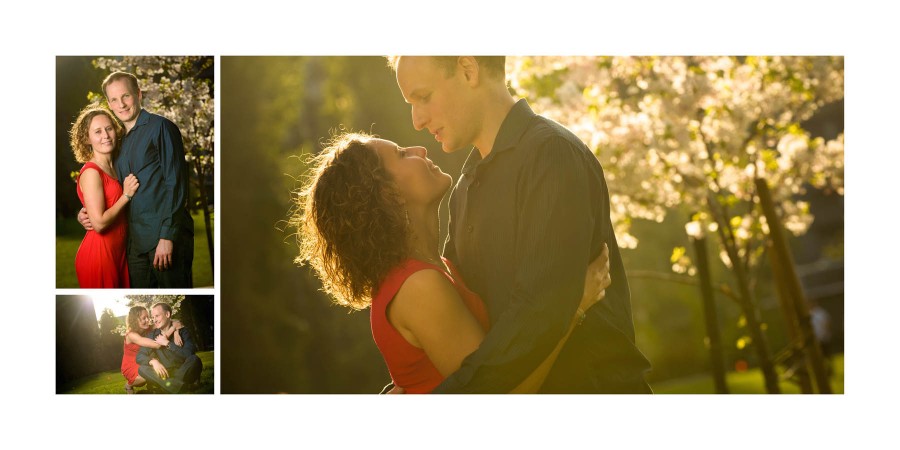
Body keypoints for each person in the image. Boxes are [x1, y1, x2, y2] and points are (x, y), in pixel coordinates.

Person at [389, 56, 652, 393]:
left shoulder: (551, 155)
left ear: (468, 70)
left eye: (423, 97)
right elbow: (459, 319)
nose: (417, 120)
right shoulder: (465, 187)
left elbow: (536, 319)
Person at [295, 133, 611, 393]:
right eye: (403, 154)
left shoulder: (437, 268)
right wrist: (575, 307)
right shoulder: (418, 286)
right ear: (389, 194)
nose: (420, 148)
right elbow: (497, 402)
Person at [79, 71, 194, 288]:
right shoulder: (119, 141)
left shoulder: (161, 128)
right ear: (109, 104)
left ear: (138, 95)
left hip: (164, 239)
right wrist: (86, 212)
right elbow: (108, 184)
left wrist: (167, 237)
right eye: (114, 99)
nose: (121, 104)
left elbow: (176, 185)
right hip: (134, 246)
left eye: (126, 96)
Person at [69, 105, 139, 288]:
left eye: (108, 128)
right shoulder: (92, 172)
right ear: (87, 139)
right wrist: (126, 196)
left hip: (119, 252)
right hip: (99, 255)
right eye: (97, 132)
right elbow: (99, 224)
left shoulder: (117, 165)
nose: (106, 136)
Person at [136, 303, 202, 394]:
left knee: (195, 359)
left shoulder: (183, 332)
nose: (154, 320)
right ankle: (179, 386)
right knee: (142, 368)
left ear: (167, 314)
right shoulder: (152, 335)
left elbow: (189, 354)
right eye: (153, 317)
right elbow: (139, 356)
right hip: (164, 373)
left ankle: (168, 387)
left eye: (157, 316)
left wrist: (167, 343)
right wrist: (153, 362)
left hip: (183, 370)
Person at [121, 305, 183, 394]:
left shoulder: (148, 327)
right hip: (131, 364)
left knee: (156, 371)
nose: (148, 320)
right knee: (146, 376)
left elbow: (173, 321)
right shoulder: (131, 335)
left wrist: (177, 332)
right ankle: (129, 385)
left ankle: (154, 388)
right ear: (135, 320)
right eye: (143, 318)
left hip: (145, 359)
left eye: (148, 317)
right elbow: (157, 345)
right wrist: (173, 329)